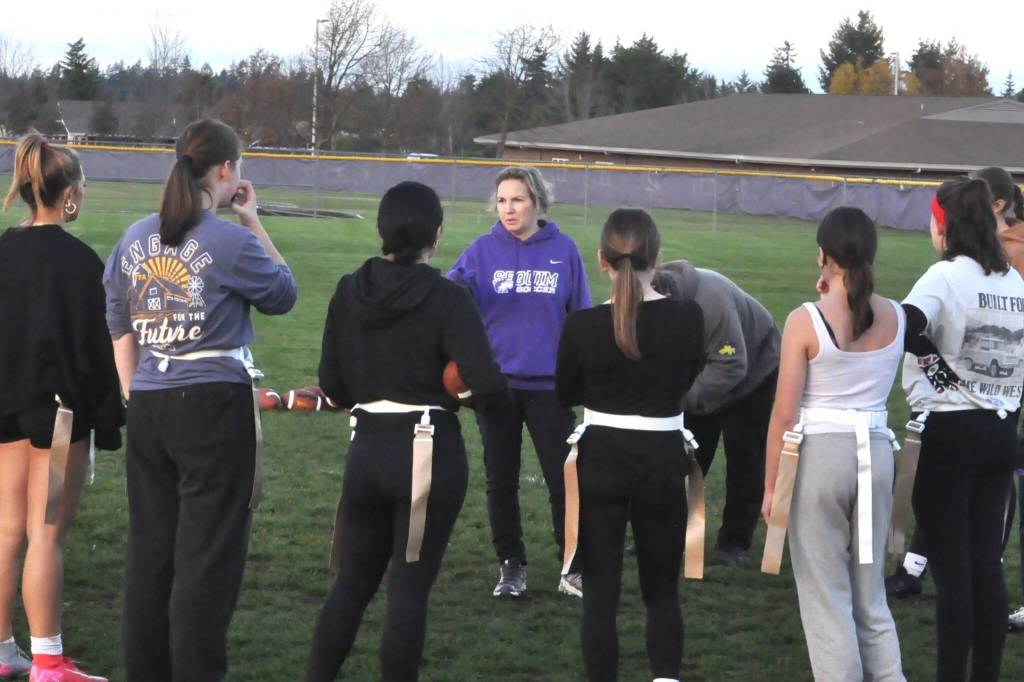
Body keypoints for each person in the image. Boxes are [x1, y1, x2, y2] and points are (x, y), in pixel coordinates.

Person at [103, 119, 297, 682]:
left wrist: (133, 390)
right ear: (224, 170)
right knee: (206, 560)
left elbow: (117, 317)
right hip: (212, 404)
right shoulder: (228, 240)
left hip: (150, 403)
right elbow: (283, 294)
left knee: (151, 555)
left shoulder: (135, 235)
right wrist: (253, 220)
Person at [307, 181, 507, 681]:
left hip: (367, 446)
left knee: (352, 583)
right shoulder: (448, 298)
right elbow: (485, 381)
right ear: (435, 235)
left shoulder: (349, 289)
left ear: (381, 229)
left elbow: (332, 385)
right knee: (409, 588)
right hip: (426, 449)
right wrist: (461, 392)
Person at [555, 208, 704, 682]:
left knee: (601, 593)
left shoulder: (581, 325)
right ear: (655, 258)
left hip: (602, 461)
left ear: (601, 260)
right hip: (661, 461)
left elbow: (565, 392)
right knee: (661, 590)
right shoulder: (687, 317)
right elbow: (687, 377)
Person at [762, 207, 906, 681]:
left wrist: (771, 489)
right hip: (877, 456)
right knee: (870, 598)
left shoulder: (806, 320)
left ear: (823, 255)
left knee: (826, 596)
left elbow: (783, 415)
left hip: (822, 458)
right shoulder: (897, 315)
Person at [0, 134, 124, 682]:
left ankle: (4, 646)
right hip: (57, 419)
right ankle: (48, 660)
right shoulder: (78, 262)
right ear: (69, 194)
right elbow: (94, 354)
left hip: (7, 410)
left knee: (7, 531)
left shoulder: (4, 249)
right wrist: (108, 416)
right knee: (45, 532)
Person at [447, 166, 591, 598]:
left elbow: (580, 319)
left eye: (518, 200)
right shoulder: (480, 251)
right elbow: (447, 299)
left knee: (563, 480)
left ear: (537, 202)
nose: (508, 209)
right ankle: (512, 567)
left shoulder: (564, 250)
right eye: (503, 200)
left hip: (551, 387)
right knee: (500, 479)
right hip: (497, 387)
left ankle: (572, 567)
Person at [899, 179, 1023, 681]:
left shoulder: (945, 275)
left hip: (951, 432)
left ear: (945, 224)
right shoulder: (1014, 280)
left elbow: (907, 321)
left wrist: (932, 362)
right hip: (1002, 433)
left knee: (952, 573)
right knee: (985, 566)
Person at [652, 261, 780, 566]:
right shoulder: (657, 301)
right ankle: (669, 533)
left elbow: (733, 365)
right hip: (706, 370)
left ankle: (734, 542)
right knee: (688, 457)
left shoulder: (712, 303)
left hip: (754, 371)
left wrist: (684, 399)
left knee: (743, 458)